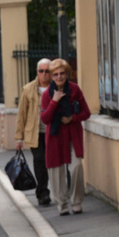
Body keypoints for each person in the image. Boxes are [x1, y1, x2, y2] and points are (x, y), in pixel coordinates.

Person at [40, 58, 91, 216]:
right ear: (51, 76)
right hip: (55, 136)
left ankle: (76, 201)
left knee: (76, 167)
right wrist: (55, 101)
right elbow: (45, 119)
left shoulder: (75, 90)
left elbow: (86, 112)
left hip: (72, 134)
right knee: (56, 170)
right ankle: (61, 203)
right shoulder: (47, 94)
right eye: (56, 74)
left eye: (62, 73)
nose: (59, 77)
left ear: (67, 74)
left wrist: (73, 118)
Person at [14, 58, 52, 206]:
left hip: (52, 132)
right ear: (37, 72)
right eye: (41, 71)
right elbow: (21, 114)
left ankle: (59, 190)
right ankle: (42, 193)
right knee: (40, 161)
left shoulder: (55, 88)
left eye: (47, 71)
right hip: (34, 133)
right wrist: (19, 138)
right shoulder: (28, 89)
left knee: (53, 163)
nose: (44, 74)